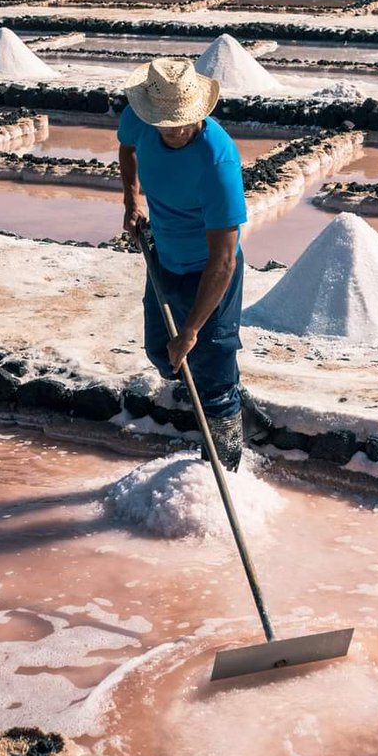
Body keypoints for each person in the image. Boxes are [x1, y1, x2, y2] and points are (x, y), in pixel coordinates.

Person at [117, 58, 247, 470]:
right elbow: (126, 148)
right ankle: (234, 398)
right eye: (165, 124)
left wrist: (191, 331)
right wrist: (131, 199)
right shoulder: (142, 117)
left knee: (213, 378)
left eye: (181, 123)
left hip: (209, 273)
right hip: (164, 257)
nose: (173, 130)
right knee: (162, 354)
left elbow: (223, 260)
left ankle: (222, 471)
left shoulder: (217, 161)